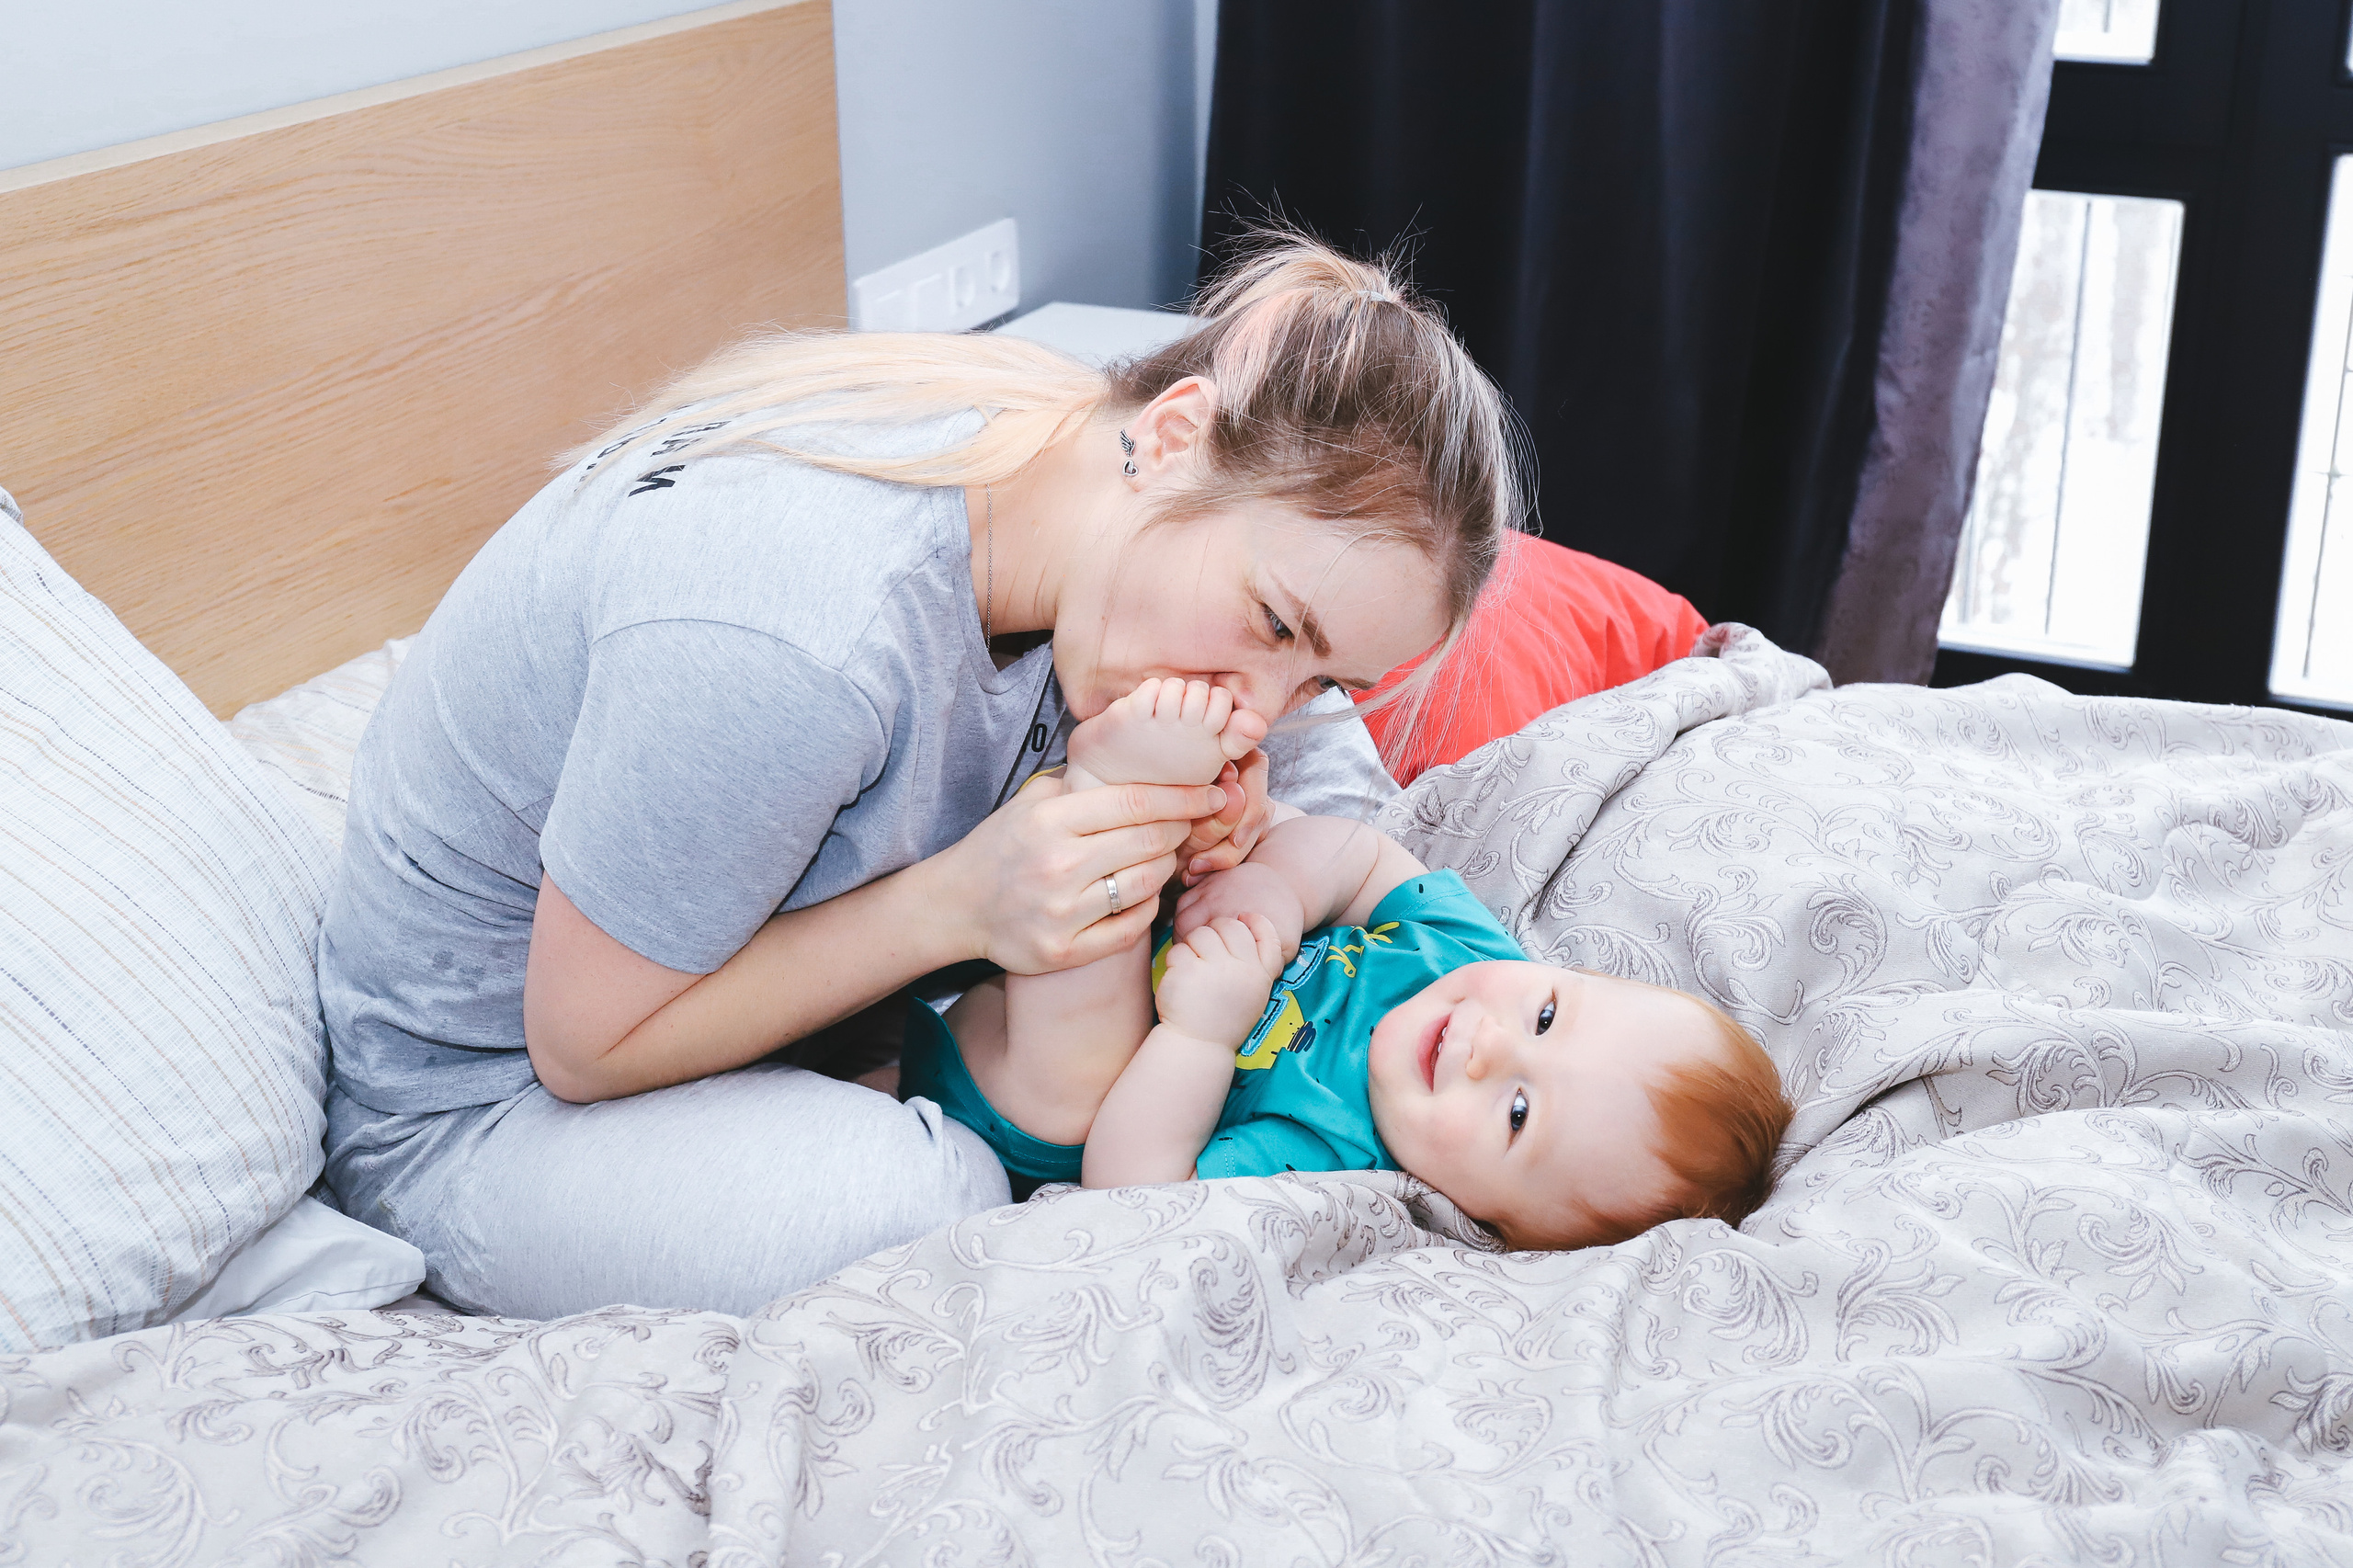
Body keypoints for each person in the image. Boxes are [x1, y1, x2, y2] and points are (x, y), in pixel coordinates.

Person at [316, 230, 1527, 1316]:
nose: (1260, 712)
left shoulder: (1114, 513)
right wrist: (960, 901)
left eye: (1322, 680)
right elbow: (584, 1043)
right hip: (488, 1103)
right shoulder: (801, 632)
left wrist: (1241, 828)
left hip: (765, 1018)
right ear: (1168, 439)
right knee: (938, 1206)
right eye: (1273, 627)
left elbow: (1338, 798)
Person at [902, 680, 1792, 1247]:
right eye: (1548, 1014)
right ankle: (1144, 806)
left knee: (1076, 1093)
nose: (1487, 1042)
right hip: (1109, 925)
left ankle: (1109, 804)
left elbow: (1131, 1185)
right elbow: (1362, 858)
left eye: (1517, 1110)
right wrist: (1278, 895)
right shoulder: (1470, 954)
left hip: (1025, 1076)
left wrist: (1202, 1033)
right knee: (1269, 829)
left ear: (1492, 1222)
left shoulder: (1335, 1156)